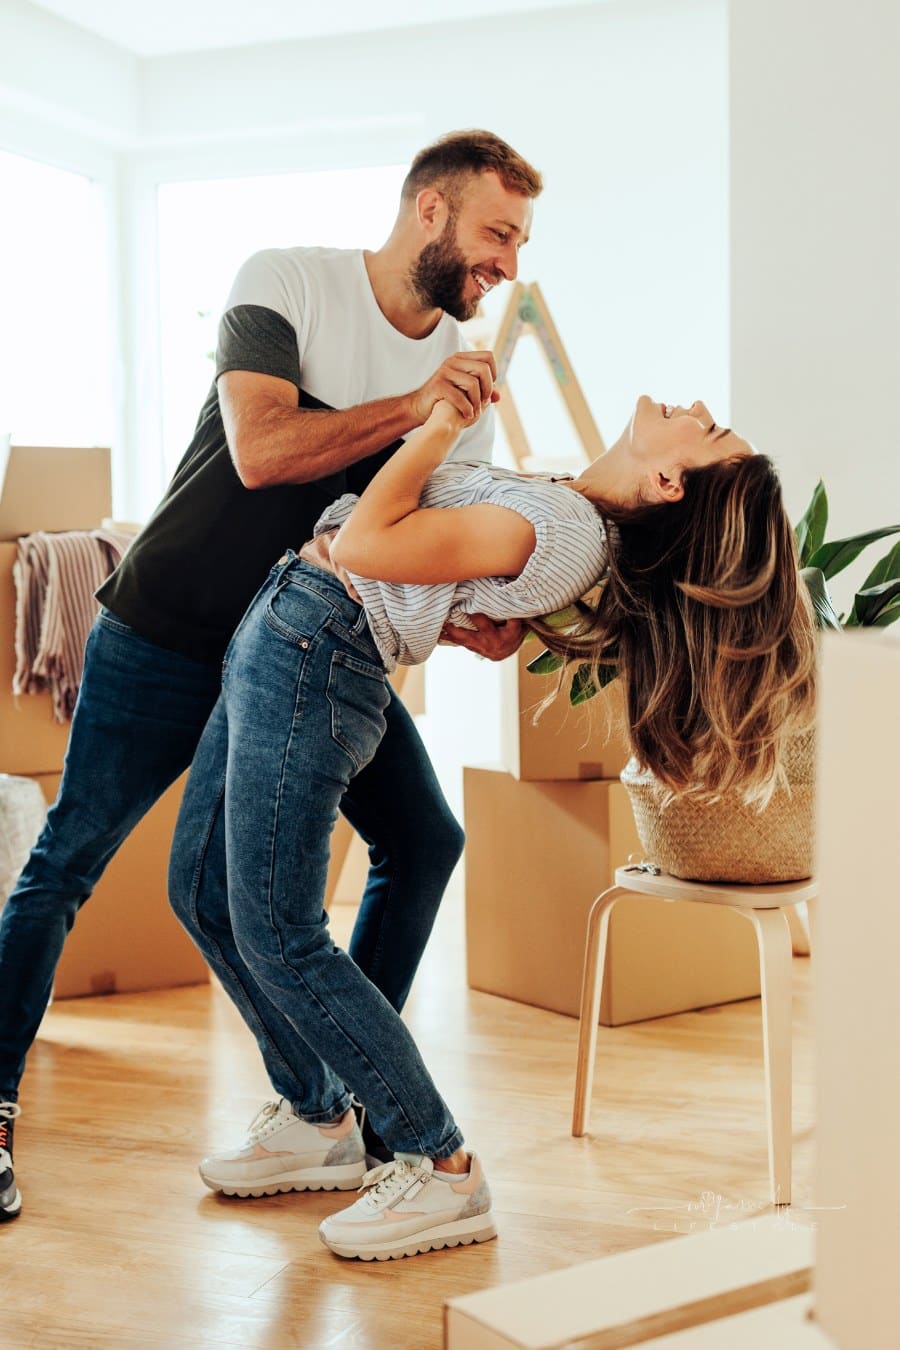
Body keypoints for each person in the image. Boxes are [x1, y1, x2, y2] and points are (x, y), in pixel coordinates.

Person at [0, 129, 543, 1224]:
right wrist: (420, 408)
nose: (508, 267)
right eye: (496, 233)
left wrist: (473, 618)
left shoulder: (466, 393)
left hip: (304, 653)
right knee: (63, 866)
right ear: (429, 211)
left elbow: (399, 547)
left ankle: (339, 1099)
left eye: (520, 243)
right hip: (172, 629)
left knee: (425, 840)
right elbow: (260, 450)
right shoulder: (286, 280)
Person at [172, 391, 816, 1262]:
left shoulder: (559, 531)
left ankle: (441, 1164)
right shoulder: (568, 515)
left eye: (705, 429)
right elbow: (446, 565)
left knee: (276, 929)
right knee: (202, 891)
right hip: (288, 624)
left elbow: (365, 544)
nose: (695, 404)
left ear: (668, 479)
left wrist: (436, 428)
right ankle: (317, 1115)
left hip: (314, 647)